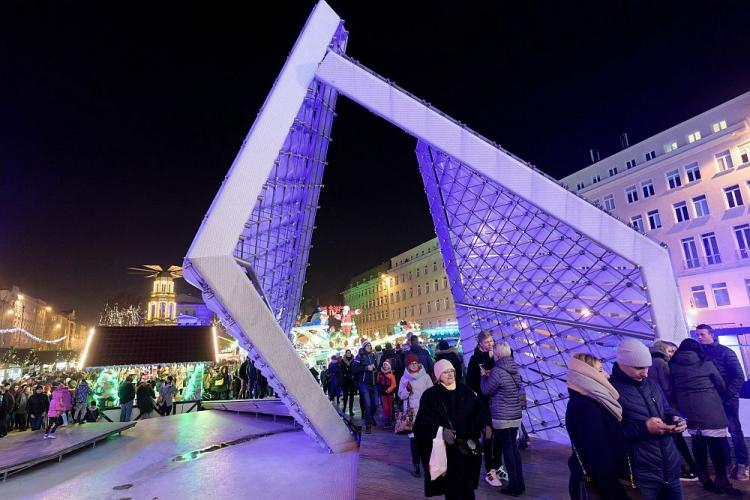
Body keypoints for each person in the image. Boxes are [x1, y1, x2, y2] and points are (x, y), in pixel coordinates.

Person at [610, 338, 685, 500]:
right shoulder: (611, 391)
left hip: (670, 469)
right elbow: (610, 433)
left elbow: (665, 409)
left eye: (647, 367)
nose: (645, 373)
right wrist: (645, 428)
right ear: (622, 363)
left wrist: (675, 418)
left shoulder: (651, 384)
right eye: (639, 368)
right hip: (642, 474)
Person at [670, 338, 741, 495]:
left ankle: (704, 478)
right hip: (711, 409)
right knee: (717, 446)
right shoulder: (705, 363)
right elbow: (720, 384)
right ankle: (722, 480)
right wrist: (724, 397)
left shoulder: (673, 366)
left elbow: (671, 389)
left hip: (689, 411)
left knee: (698, 444)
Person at [414, 358, 486, 499]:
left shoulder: (464, 390)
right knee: (452, 489)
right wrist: (440, 431)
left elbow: (478, 411)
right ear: (438, 375)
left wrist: (485, 424)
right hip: (447, 451)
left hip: (467, 449)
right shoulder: (430, 396)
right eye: (445, 372)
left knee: (468, 488)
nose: (450, 374)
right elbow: (422, 424)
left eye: (451, 371)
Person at [566, 353, 629, 500]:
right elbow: (597, 456)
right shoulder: (585, 407)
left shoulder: (589, 401)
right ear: (588, 375)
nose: (606, 375)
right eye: (600, 370)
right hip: (602, 485)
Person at [696, 323, 749, 480]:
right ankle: (728, 465)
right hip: (710, 400)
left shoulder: (726, 352)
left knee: (734, 431)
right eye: (697, 335)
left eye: (702, 334)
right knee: (718, 433)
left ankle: (742, 465)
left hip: (728, 399)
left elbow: (739, 376)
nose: (699, 337)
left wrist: (727, 395)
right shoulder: (699, 355)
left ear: (711, 334)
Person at [480, 341, 525, 496]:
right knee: (513, 449)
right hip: (515, 415)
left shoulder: (497, 371)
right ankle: (520, 483)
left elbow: (486, 390)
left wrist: (483, 377)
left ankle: (514, 486)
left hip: (502, 417)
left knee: (508, 450)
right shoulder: (514, 368)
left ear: (497, 355)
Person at [650, 340, 698, 481]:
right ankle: (689, 468)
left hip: (654, 407)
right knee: (676, 438)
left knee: (672, 440)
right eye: (670, 351)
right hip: (667, 406)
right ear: (663, 350)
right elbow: (667, 388)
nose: (673, 354)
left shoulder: (649, 362)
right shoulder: (661, 363)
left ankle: (684, 468)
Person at [466, 330, 505, 487]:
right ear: (480, 343)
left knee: (499, 436)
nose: (490, 344)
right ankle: (490, 471)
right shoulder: (475, 360)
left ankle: (499, 466)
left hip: (497, 402)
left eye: (491, 341)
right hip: (484, 404)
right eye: (487, 342)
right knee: (488, 437)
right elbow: (470, 381)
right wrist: (482, 384)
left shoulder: (495, 355)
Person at [398, 353, 434, 478]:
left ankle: (427, 465)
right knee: (414, 441)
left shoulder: (425, 377)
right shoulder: (404, 379)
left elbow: (431, 393)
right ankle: (416, 465)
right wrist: (407, 390)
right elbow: (401, 396)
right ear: (407, 365)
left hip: (425, 413)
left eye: (415, 363)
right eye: (411, 364)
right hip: (411, 413)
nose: (413, 365)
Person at [352, 340, 379, 433]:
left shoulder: (373, 356)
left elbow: (376, 367)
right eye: (367, 346)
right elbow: (354, 370)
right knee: (367, 404)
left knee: (376, 403)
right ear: (364, 347)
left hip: (373, 383)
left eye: (370, 346)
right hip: (363, 383)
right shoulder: (359, 357)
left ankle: (370, 416)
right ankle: (368, 425)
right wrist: (366, 368)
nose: (369, 347)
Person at [377, 361, 397, 429]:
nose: (385, 366)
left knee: (390, 407)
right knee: (385, 407)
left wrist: (388, 390)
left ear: (389, 366)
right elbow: (378, 381)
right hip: (383, 393)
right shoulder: (381, 374)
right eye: (384, 365)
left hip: (390, 393)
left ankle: (390, 420)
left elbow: (394, 384)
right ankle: (386, 421)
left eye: (386, 365)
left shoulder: (391, 375)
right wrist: (378, 376)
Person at [340, 349, 356, 417]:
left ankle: (350, 410)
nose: (349, 354)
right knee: (345, 395)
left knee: (352, 396)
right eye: (347, 353)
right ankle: (344, 408)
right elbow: (341, 370)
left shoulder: (353, 360)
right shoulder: (342, 361)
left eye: (349, 352)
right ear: (345, 354)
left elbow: (355, 369)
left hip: (352, 380)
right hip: (345, 380)